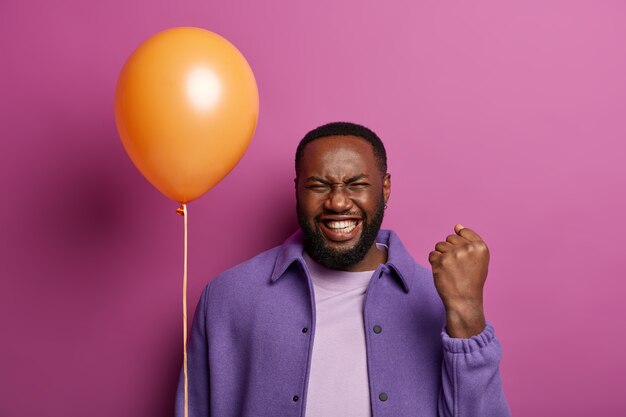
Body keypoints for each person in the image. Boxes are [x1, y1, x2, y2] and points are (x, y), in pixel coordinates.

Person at [176, 122, 511, 417]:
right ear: (297, 190)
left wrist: (467, 313)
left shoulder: (439, 300)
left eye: (356, 184)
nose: (338, 202)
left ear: (385, 188)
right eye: (319, 185)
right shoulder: (229, 297)